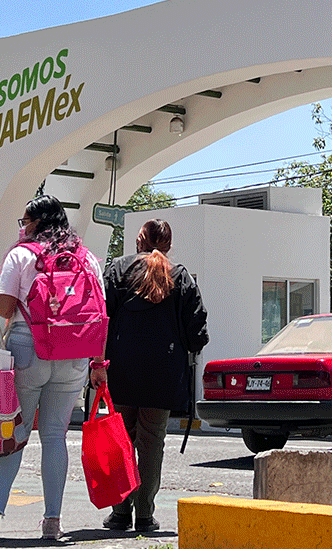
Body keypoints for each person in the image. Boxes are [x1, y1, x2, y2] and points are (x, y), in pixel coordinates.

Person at [0, 195, 105, 541]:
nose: (22, 227)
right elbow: (99, 313)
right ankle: (52, 521)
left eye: (25, 221)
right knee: (56, 435)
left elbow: (3, 307)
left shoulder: (22, 254)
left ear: (37, 222)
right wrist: (98, 363)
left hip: (29, 349)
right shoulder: (86, 258)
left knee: (15, 433)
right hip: (75, 353)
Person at [100, 219, 209, 533]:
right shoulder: (180, 276)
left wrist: (99, 362)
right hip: (163, 373)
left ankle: (120, 513)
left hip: (120, 371)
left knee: (121, 442)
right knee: (152, 443)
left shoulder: (118, 270)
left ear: (139, 241)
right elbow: (197, 327)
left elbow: (102, 316)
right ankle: (145, 515)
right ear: (169, 245)